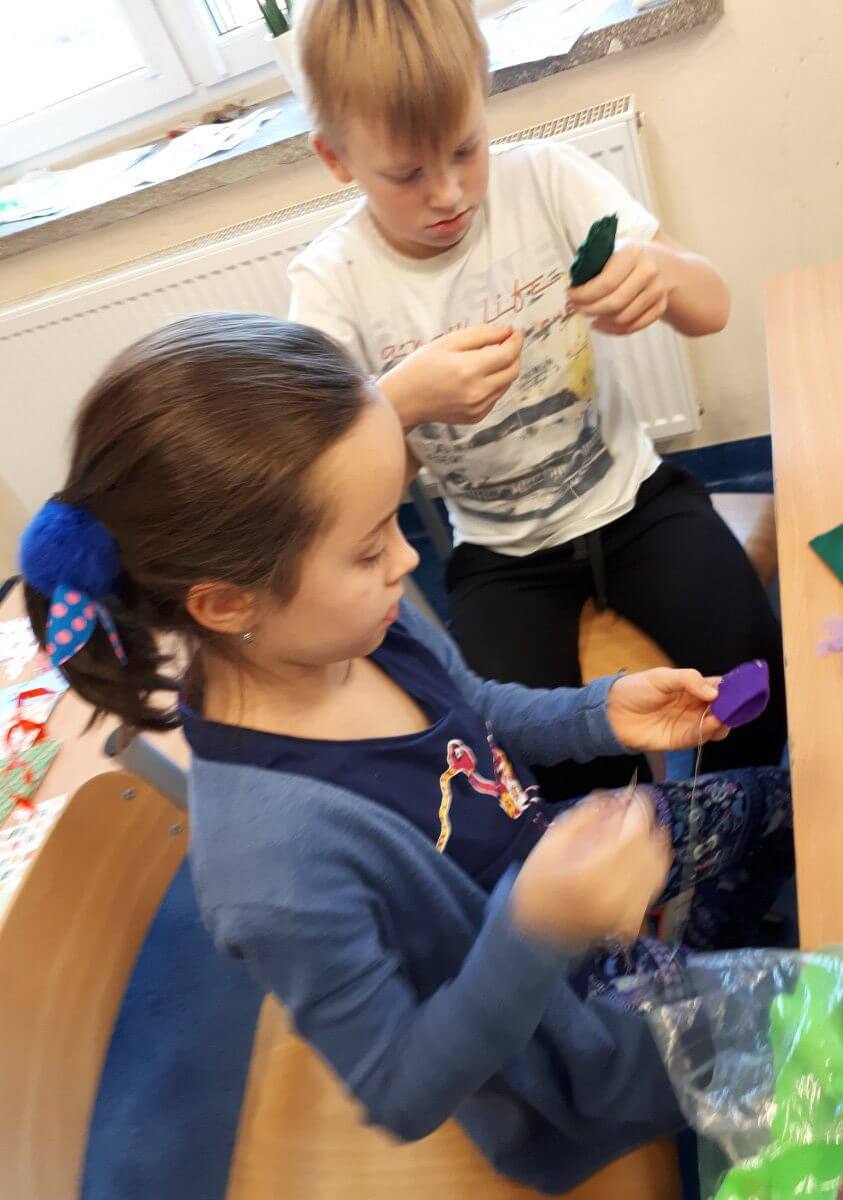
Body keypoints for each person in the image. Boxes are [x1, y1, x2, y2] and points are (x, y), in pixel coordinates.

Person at [20, 315, 793, 1193]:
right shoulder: (267, 867)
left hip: (558, 878)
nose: (404, 560)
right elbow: (403, 1091)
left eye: (395, 520)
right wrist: (542, 925)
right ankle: (709, 1004)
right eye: (368, 546)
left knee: (785, 803)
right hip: (565, 1041)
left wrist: (602, 715)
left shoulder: (357, 631)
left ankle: (702, 948)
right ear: (226, 604)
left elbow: (480, 713)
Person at [288, 0, 787, 801]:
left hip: (635, 500)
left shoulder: (547, 180)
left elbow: (713, 306)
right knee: (541, 755)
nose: (449, 193)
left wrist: (659, 279)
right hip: (501, 556)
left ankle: (744, 810)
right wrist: (399, 403)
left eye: (466, 148)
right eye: (407, 175)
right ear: (335, 158)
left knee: (752, 659)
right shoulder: (331, 283)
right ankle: (635, 834)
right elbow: (326, 486)